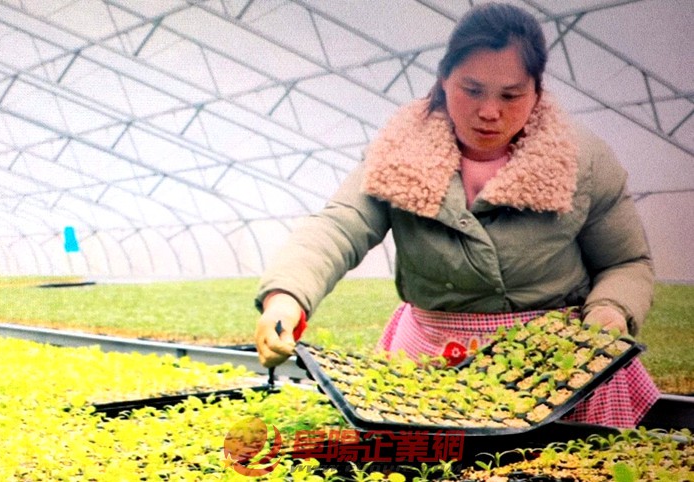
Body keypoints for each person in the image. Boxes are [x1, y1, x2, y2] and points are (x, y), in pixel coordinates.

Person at [254, 2, 659, 428]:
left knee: (566, 460)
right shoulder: (400, 150)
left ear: (537, 92)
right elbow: (339, 227)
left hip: (558, 370)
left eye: (510, 95)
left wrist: (610, 312)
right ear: (444, 79)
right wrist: (286, 298)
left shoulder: (581, 158)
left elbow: (625, 262)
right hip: (429, 355)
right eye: (472, 89)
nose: (489, 111)